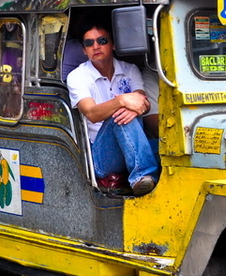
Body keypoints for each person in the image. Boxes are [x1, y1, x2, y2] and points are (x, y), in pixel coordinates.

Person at [66, 21, 158, 196]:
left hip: (134, 146)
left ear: (113, 44)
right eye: (89, 43)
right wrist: (122, 101)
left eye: (102, 40)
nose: (96, 46)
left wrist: (134, 105)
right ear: (84, 50)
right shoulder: (77, 77)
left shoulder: (129, 70)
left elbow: (143, 102)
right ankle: (143, 176)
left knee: (171, 148)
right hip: (102, 156)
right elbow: (92, 113)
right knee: (120, 116)